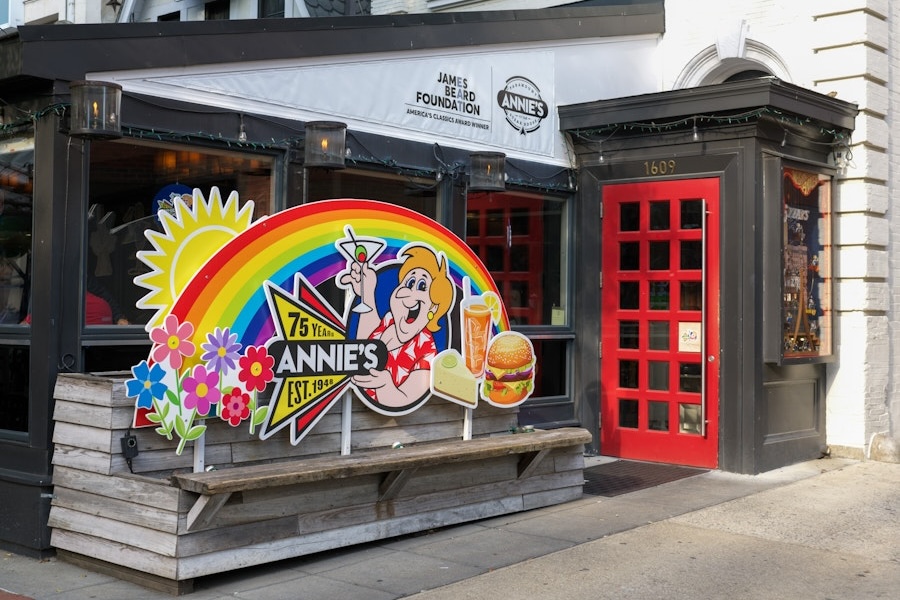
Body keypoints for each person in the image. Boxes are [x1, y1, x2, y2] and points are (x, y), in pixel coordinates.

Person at [340, 245, 454, 409]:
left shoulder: (426, 350)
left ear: (433, 308)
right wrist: (367, 293)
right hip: (352, 407)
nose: (410, 293)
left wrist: (386, 385)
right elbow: (364, 342)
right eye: (409, 282)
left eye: (422, 286)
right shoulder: (389, 320)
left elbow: (408, 398)